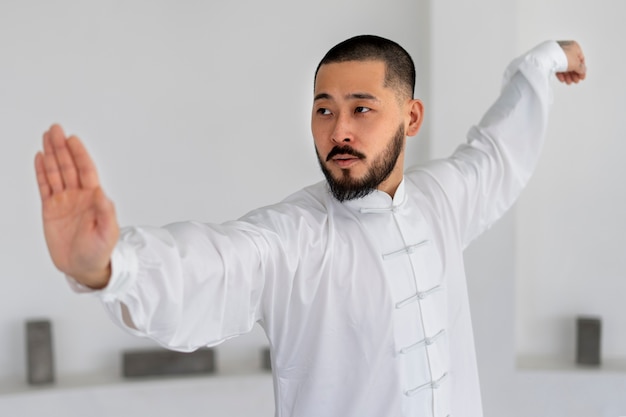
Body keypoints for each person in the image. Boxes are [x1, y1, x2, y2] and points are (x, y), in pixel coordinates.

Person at [34, 35, 586, 417]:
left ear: (411, 117)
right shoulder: (293, 238)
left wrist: (543, 61)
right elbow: (215, 262)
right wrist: (108, 266)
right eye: (324, 110)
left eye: (362, 109)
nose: (338, 130)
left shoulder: (442, 199)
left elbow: (496, 153)